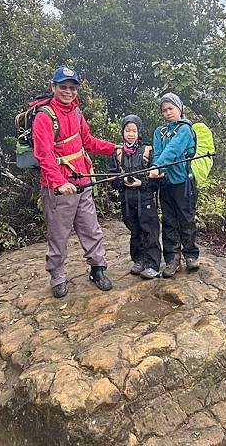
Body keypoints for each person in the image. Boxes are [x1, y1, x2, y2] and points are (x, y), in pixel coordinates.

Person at [32, 66, 117, 298]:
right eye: (63, 87)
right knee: (58, 233)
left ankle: (97, 268)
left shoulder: (77, 113)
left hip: (83, 181)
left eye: (72, 87)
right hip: (59, 187)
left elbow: (88, 141)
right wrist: (59, 183)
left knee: (91, 227)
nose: (68, 91)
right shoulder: (44, 116)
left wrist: (115, 149)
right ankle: (57, 276)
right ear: (53, 87)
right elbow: (44, 155)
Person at [149, 93, 200, 277]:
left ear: (180, 108)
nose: (168, 112)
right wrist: (157, 167)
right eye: (164, 110)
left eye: (171, 108)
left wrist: (158, 166)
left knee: (186, 219)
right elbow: (157, 152)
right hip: (165, 183)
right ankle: (172, 259)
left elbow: (174, 148)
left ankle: (191, 255)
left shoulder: (185, 129)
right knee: (169, 221)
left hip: (183, 182)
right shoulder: (159, 132)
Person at [108, 115, 161, 279]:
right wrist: (122, 181)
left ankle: (153, 264)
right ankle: (139, 260)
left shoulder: (148, 151)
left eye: (134, 130)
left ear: (139, 132)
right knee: (135, 232)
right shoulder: (117, 153)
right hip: (127, 200)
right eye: (127, 130)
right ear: (122, 132)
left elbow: (157, 181)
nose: (131, 134)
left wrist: (141, 184)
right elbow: (112, 178)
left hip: (145, 200)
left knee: (150, 231)